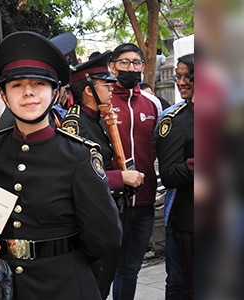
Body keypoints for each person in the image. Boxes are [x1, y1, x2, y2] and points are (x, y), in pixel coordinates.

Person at [0, 31, 122, 300]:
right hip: (6, 287)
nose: (29, 93)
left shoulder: (78, 154)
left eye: (39, 84)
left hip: (65, 284)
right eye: (17, 85)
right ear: (2, 94)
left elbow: (106, 238)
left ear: (56, 91)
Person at [60, 50, 145, 299]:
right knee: (95, 286)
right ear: (88, 90)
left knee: (105, 281)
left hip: (110, 211)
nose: (111, 89)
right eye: (105, 84)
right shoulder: (75, 124)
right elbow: (75, 177)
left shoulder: (98, 119)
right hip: (91, 219)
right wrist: (121, 178)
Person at [108, 43, 160, 300]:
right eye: (125, 62)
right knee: (105, 268)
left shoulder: (153, 104)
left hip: (144, 203)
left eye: (136, 63)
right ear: (113, 66)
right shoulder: (102, 104)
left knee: (130, 269)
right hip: (110, 202)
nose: (131, 68)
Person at [155, 53, 194, 300]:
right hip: (189, 222)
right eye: (178, 77)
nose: (181, 82)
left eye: (187, 76)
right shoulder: (174, 120)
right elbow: (168, 175)